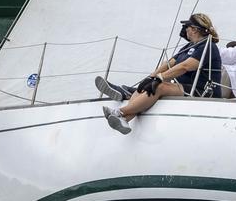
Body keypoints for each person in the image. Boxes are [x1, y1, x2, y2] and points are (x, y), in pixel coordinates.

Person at [94, 13, 222, 134]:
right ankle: (125, 120)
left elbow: (185, 66)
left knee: (160, 87)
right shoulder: (188, 46)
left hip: (203, 90)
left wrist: (160, 79)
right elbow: (169, 63)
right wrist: (151, 77)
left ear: (194, 29)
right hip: (185, 87)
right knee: (146, 86)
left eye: (187, 27)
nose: (185, 30)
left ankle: (119, 112)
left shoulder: (208, 46)